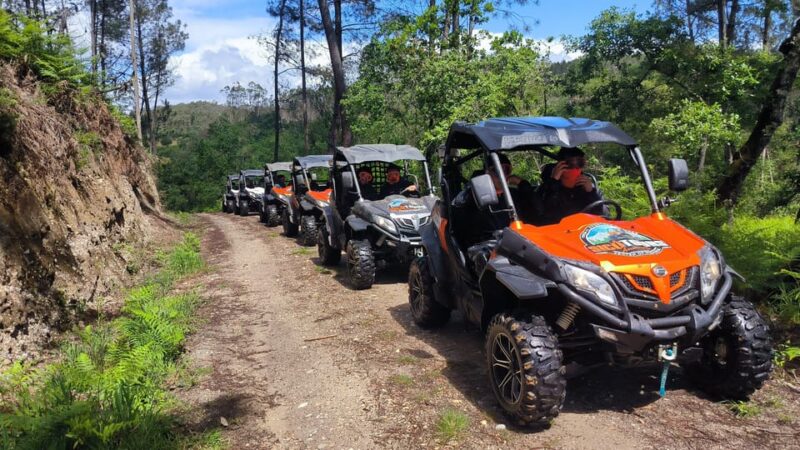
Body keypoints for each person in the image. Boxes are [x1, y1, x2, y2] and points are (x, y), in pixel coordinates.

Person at [535, 147, 602, 225]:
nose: (576, 168)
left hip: (585, 231)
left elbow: (600, 215)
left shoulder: (588, 188)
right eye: (571, 164)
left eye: (580, 163)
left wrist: (591, 192)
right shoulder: (547, 189)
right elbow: (545, 214)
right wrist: (553, 182)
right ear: (560, 166)